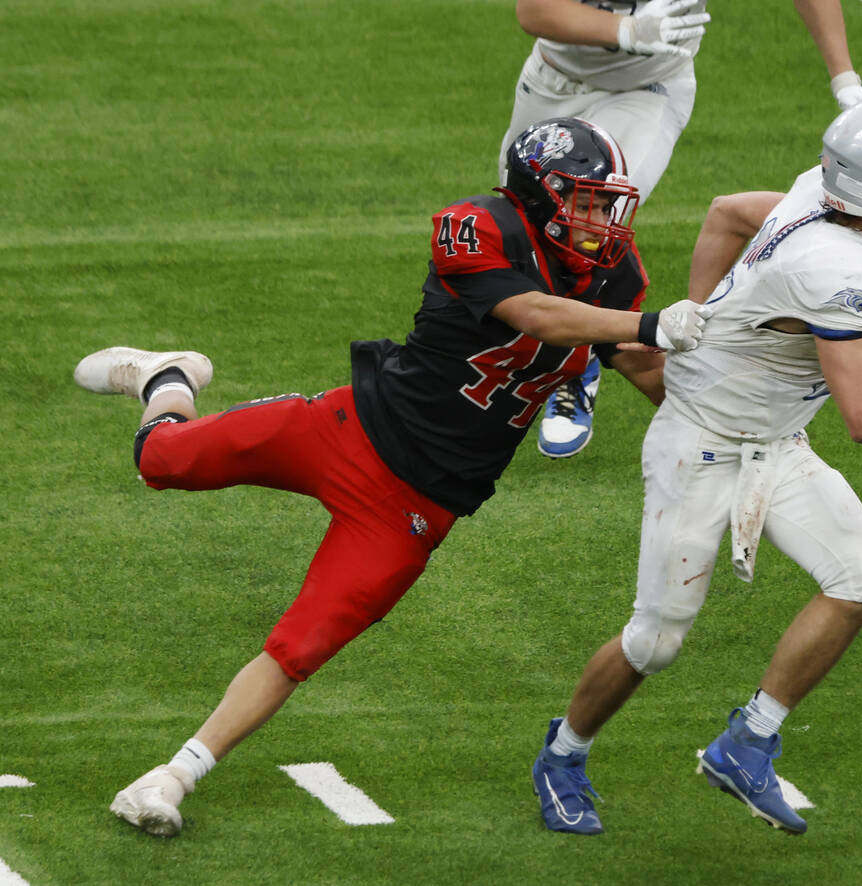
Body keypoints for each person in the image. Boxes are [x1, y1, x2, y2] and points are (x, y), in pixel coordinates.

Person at [75, 117, 710, 838]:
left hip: (416, 507)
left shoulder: (611, 275)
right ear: (539, 194)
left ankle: (173, 776)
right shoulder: (477, 227)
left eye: (604, 205)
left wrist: (737, 416)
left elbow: (648, 372)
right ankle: (164, 376)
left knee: (300, 647)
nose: (599, 222)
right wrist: (648, 324)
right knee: (161, 462)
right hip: (351, 430)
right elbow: (538, 316)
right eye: (585, 202)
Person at [529, 95, 862, 835]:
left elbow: (725, 212)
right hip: (700, 447)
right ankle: (563, 755)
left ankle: (747, 741)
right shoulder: (844, 268)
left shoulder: (819, 194)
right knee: (655, 639)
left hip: (775, 439)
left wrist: (703, 319)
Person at [503, 0, 862, 458]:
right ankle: (548, 353)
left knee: (584, 220)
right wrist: (628, 29)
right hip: (551, 77)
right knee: (526, 224)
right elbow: (535, 11)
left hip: (646, 85)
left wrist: (846, 81)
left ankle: (577, 367)